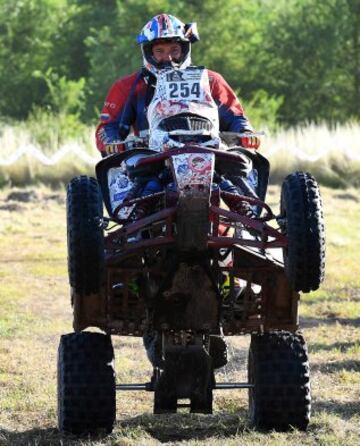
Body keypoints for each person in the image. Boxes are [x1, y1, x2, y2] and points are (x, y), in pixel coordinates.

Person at [95, 14, 260, 156]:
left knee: (245, 168)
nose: (168, 58)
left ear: (184, 50)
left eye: (174, 50)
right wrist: (112, 141)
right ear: (148, 52)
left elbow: (235, 117)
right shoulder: (127, 86)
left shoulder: (210, 80)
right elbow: (108, 126)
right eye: (160, 51)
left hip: (209, 152)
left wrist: (245, 132)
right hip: (150, 158)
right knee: (118, 178)